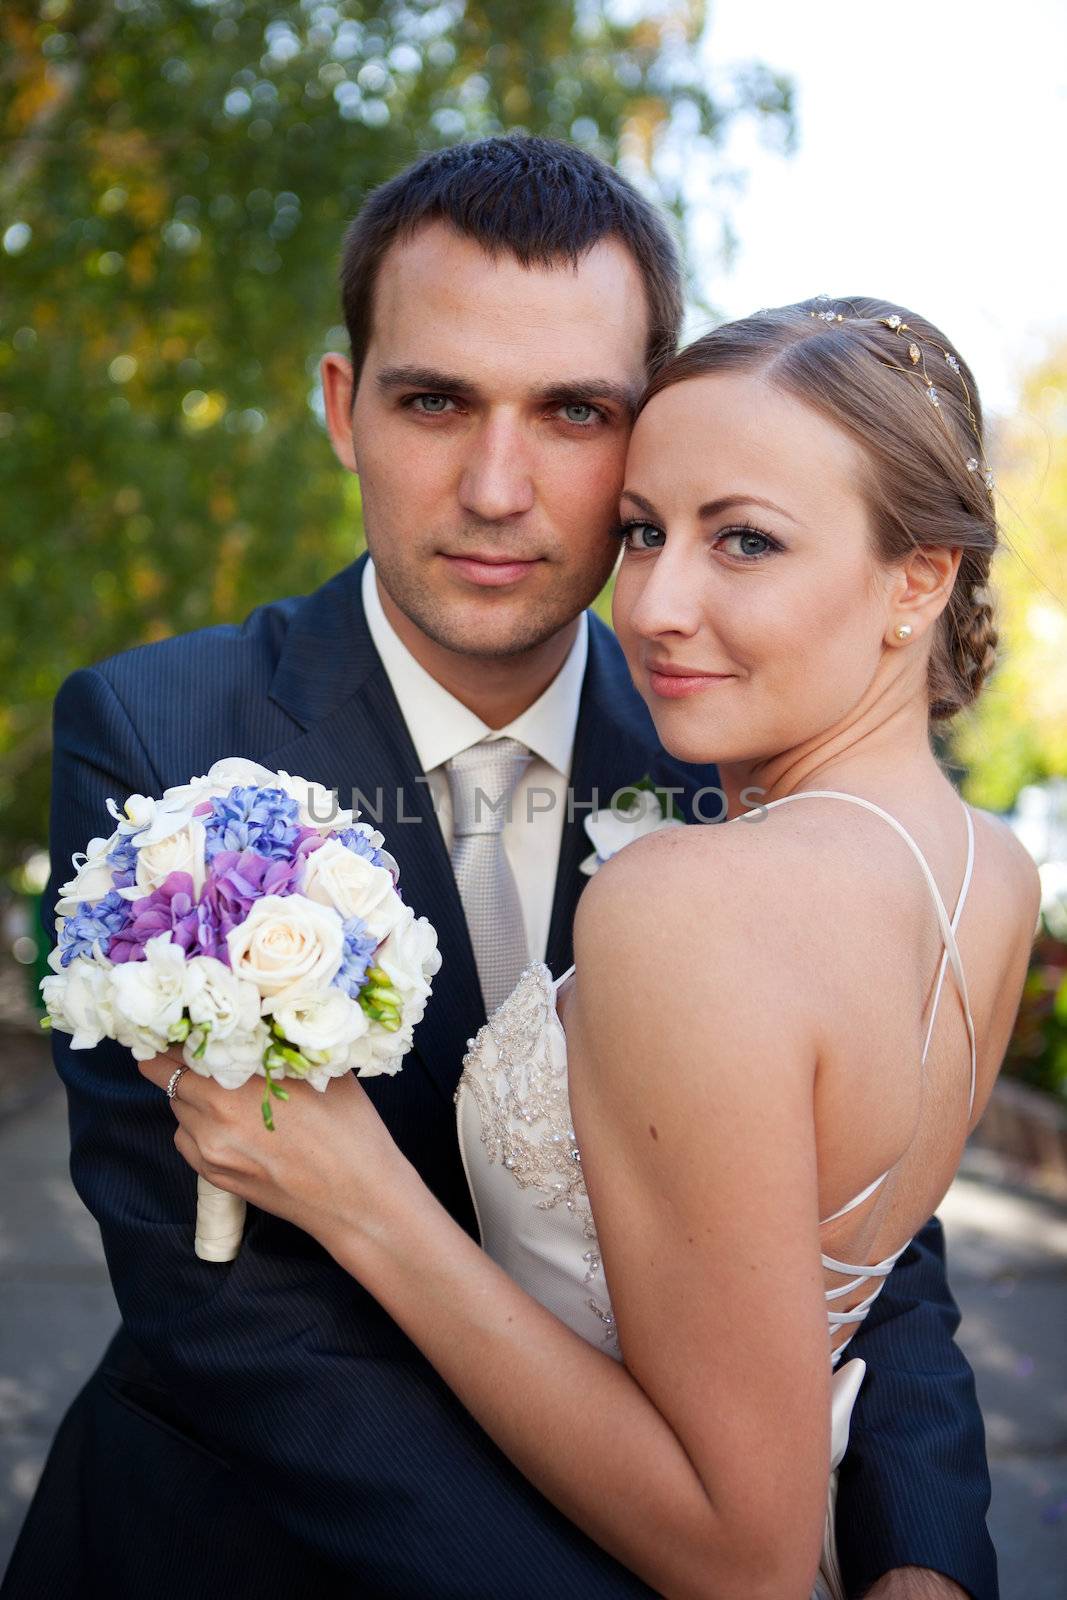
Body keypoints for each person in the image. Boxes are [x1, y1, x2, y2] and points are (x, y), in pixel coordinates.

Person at [2, 143, 1003, 1600]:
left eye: (575, 412)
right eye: (435, 400)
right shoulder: (161, 740)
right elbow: (244, 1328)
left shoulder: (739, 751)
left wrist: (928, 1560)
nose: (495, 485)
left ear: (645, 427)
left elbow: (858, 1232)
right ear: (348, 410)